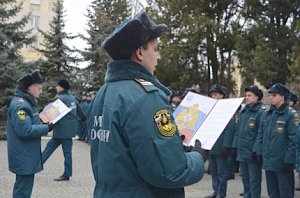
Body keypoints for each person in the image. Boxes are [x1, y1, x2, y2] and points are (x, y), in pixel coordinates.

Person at [88, 11, 207, 198]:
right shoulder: (146, 97)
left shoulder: (104, 93)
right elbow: (169, 171)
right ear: (140, 52)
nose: (158, 56)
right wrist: (198, 157)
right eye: (156, 48)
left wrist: (172, 146)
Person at [7, 70, 53, 197]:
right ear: (29, 88)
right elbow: (25, 130)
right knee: (22, 191)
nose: (41, 91)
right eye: (39, 88)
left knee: (24, 189)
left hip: (26, 154)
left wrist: (45, 116)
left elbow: (33, 122)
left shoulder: (28, 103)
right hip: (23, 156)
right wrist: (47, 128)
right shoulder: (21, 106)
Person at [254, 83, 297, 198]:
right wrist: (258, 152)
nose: (271, 97)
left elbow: (295, 140)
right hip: (269, 162)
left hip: (282, 163)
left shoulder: (292, 115)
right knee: (272, 192)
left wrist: (289, 160)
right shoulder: (267, 114)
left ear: (282, 97)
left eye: (274, 95)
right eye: (270, 95)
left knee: (285, 192)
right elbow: (260, 135)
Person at [42, 79, 85, 181]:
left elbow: (50, 114)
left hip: (60, 130)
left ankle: (34, 167)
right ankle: (67, 174)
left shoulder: (60, 98)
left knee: (48, 150)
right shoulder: (73, 99)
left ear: (62, 87)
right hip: (69, 132)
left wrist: (42, 122)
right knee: (67, 153)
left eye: (57, 86)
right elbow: (82, 115)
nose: (56, 88)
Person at [233, 85, 264, 198]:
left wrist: (256, 150)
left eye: (249, 95)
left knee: (254, 179)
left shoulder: (261, 113)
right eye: (246, 95)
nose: (246, 97)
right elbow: (238, 131)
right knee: (245, 178)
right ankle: (247, 195)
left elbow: (260, 134)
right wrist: (235, 146)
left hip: (252, 153)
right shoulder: (244, 111)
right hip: (242, 151)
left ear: (257, 97)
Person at [204, 84, 235, 198]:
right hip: (212, 144)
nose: (213, 96)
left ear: (222, 95)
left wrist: (226, 145)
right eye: (212, 94)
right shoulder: (211, 109)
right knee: (214, 171)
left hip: (221, 144)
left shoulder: (227, 109)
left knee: (222, 173)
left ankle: (221, 193)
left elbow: (230, 128)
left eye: (216, 94)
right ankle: (216, 191)